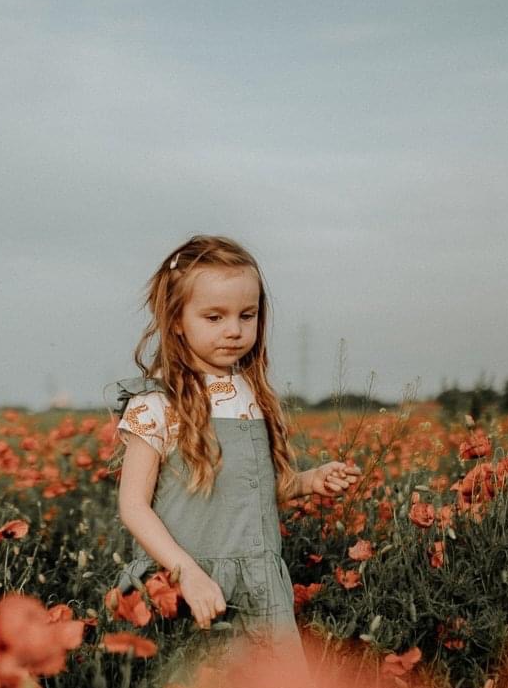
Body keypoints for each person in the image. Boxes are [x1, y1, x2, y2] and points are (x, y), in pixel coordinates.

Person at [107, 235, 360, 657]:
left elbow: (251, 492)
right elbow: (133, 507)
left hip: (261, 593)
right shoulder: (156, 404)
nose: (234, 330)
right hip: (189, 588)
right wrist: (186, 573)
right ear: (176, 319)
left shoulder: (255, 395)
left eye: (247, 315)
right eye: (214, 316)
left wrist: (307, 481)